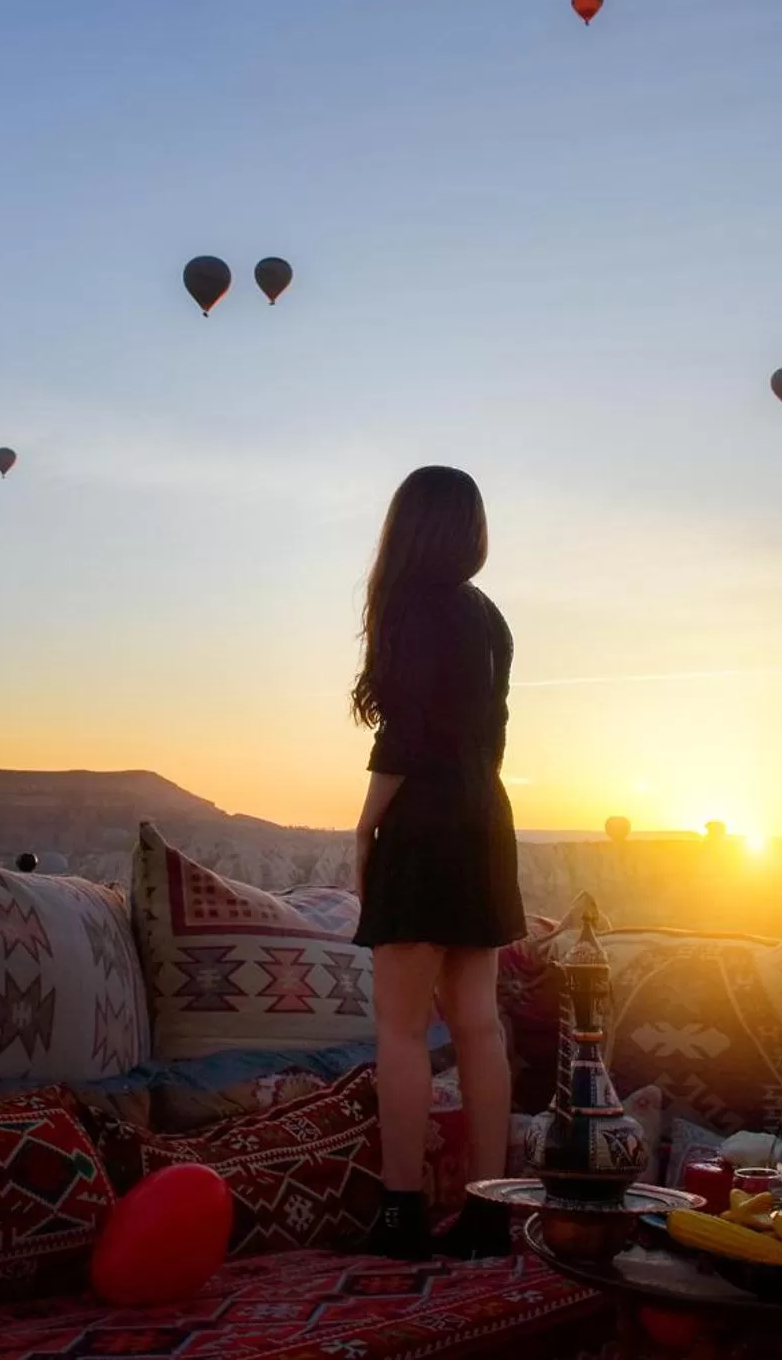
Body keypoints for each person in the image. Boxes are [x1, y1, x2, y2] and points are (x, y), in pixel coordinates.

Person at [349, 465, 527, 1260]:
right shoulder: (490, 618)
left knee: (401, 1028)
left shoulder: (413, 608)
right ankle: (491, 1215)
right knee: (480, 1024)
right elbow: (485, 734)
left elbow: (409, 735)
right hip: (486, 816)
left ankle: (401, 1215)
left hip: (422, 821)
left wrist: (365, 827)